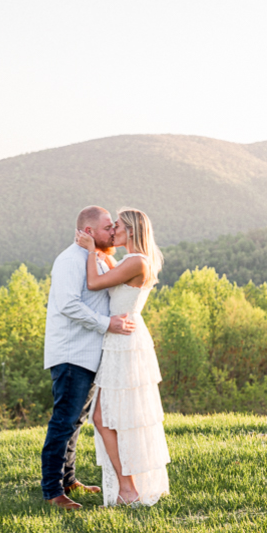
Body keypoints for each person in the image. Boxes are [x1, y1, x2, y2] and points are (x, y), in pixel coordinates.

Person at [40, 205, 134, 510]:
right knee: (64, 421)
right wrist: (109, 324)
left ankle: (68, 480)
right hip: (72, 353)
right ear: (89, 231)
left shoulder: (97, 258)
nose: (113, 231)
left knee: (76, 420)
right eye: (108, 227)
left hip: (90, 354)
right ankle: (52, 491)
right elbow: (69, 305)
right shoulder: (70, 260)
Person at [75, 208, 170, 507]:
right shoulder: (131, 261)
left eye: (117, 226)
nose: (113, 230)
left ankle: (129, 489)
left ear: (131, 230)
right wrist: (103, 256)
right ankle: (129, 487)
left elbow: (94, 283)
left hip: (125, 341)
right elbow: (114, 278)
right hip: (120, 339)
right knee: (108, 416)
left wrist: (92, 251)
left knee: (104, 416)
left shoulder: (138, 262)